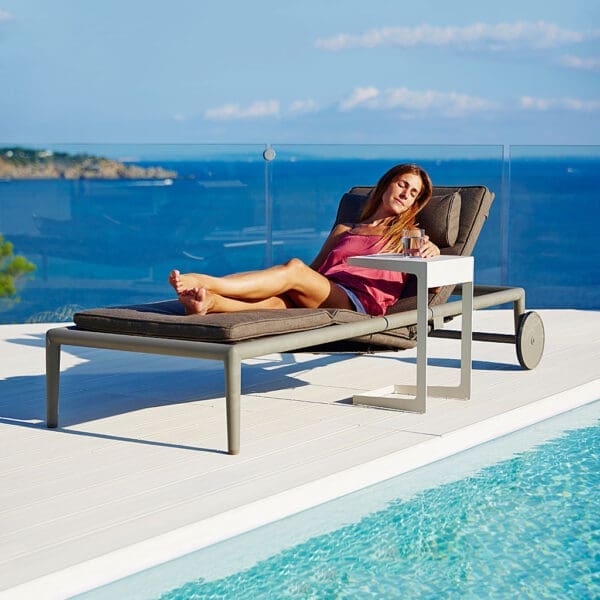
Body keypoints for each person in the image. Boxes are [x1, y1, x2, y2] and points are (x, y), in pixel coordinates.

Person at [169, 163, 440, 317]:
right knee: (278, 300)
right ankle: (209, 303)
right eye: (403, 184)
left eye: (413, 193)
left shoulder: (407, 236)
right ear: (386, 185)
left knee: (294, 269)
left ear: (413, 204)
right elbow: (314, 271)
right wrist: (286, 286)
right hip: (325, 292)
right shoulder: (345, 229)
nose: (406, 194)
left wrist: (433, 249)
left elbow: (427, 263)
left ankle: (208, 281)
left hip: (358, 304)